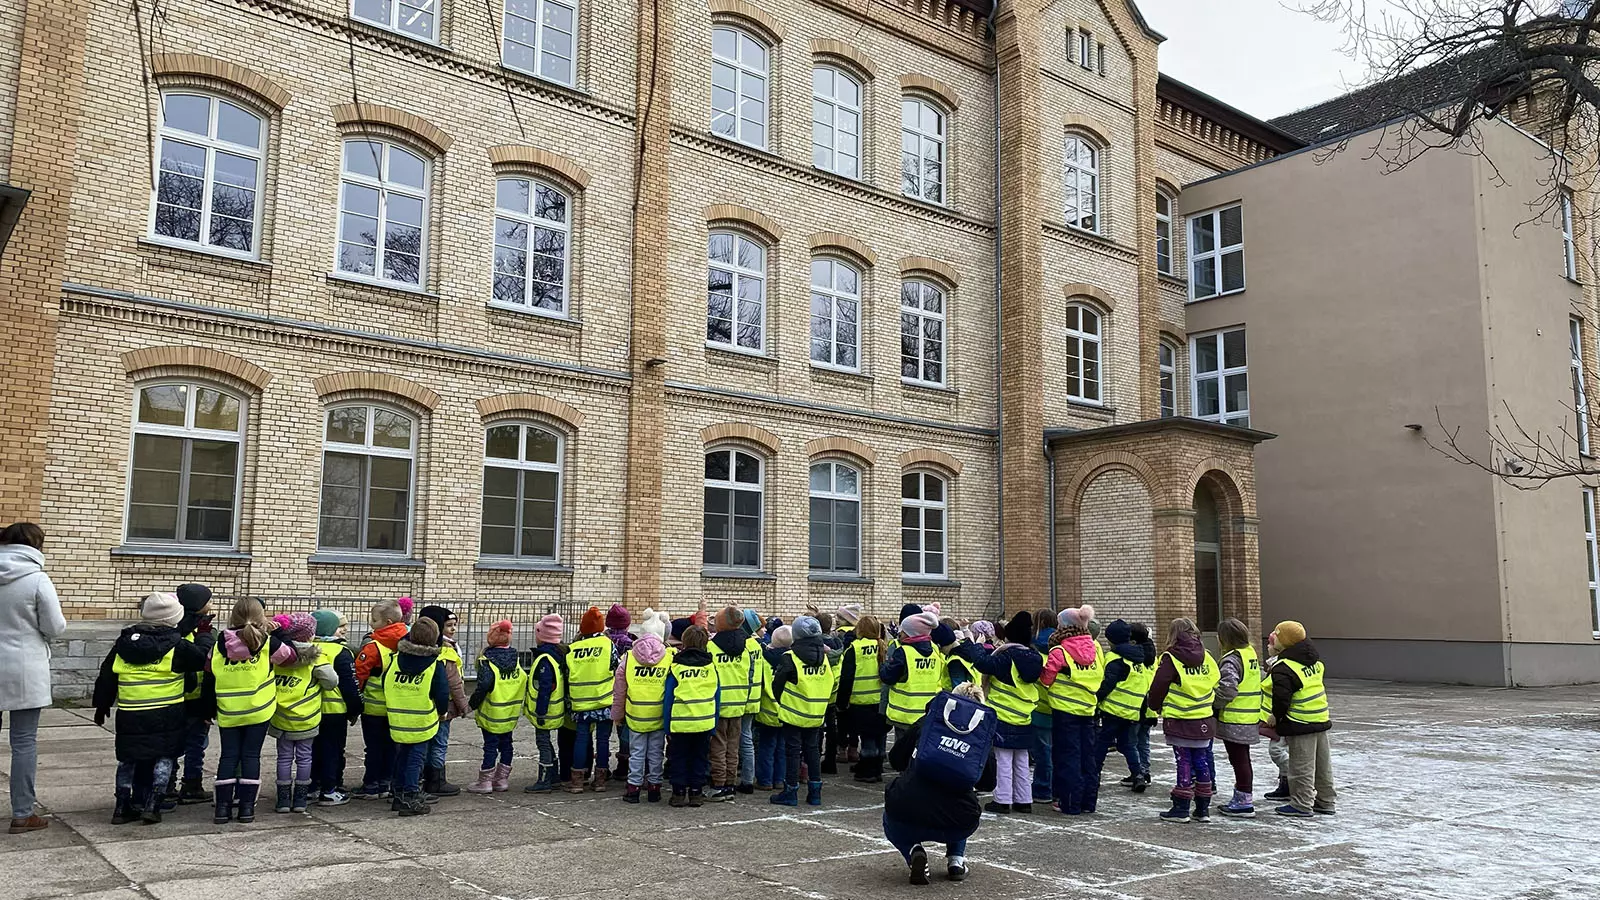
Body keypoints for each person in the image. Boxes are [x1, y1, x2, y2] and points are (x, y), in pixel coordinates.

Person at [93, 592, 207, 825]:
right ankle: (153, 804)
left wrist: (102, 705)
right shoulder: (178, 646)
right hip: (167, 713)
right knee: (164, 756)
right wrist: (203, 635)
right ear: (175, 618)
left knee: (128, 759)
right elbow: (203, 659)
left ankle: (122, 805)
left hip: (130, 711)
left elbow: (106, 675)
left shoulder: (124, 644)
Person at [882, 681, 996, 885]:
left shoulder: (928, 722)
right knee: (965, 803)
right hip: (957, 821)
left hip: (909, 811)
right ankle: (956, 861)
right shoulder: (980, 735)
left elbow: (896, 758)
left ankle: (913, 852)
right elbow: (988, 783)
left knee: (890, 813)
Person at [204, 597, 299, 824]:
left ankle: (222, 809)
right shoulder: (267, 642)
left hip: (228, 711)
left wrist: (207, 709)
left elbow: (208, 671)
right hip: (259, 710)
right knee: (250, 756)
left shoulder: (219, 644)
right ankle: (247, 809)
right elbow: (291, 657)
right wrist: (278, 634)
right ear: (261, 618)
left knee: (228, 757)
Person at [0, 522, 66, 834]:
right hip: (24, 668)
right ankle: (22, 813)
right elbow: (55, 626)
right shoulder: (37, 579)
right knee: (23, 742)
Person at [957, 611, 1042, 814]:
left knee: (1003, 760)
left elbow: (984, 663)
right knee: (1021, 760)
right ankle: (1024, 800)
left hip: (1004, 715)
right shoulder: (1035, 657)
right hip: (1024, 714)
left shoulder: (1007, 657)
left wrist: (974, 644)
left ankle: (1003, 799)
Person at [1146, 618, 1220, 823]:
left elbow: (1158, 685)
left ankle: (1181, 807)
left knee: (1183, 761)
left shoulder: (1171, 658)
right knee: (1202, 760)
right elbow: (1216, 679)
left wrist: (1154, 705)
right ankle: (1203, 808)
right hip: (1204, 717)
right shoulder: (1208, 657)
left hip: (1180, 718)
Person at [1267, 620, 1336, 817]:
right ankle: (1326, 800)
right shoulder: (1313, 661)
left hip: (1300, 721)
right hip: (1320, 717)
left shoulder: (1284, 667)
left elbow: (1281, 699)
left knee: (1301, 766)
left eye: (1277, 635)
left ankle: (1301, 803)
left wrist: (1276, 718)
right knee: (1322, 764)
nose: (1273, 638)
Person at [267, 612, 334, 814]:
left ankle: (283, 799)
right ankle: (300, 799)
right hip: (306, 718)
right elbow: (331, 681)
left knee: (284, 757)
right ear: (310, 635)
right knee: (305, 757)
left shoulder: (277, 654)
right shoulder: (316, 658)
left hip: (280, 716)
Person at [1040, 604, 1102, 815]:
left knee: (1068, 757)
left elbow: (1047, 679)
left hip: (1065, 710)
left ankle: (1069, 803)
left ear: (1064, 626)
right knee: (1088, 757)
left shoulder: (1060, 650)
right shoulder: (1095, 648)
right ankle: (1088, 802)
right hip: (1088, 709)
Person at [384, 616, 448, 816]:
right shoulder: (434, 664)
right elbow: (442, 691)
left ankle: (398, 792)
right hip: (421, 721)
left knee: (402, 755)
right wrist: (442, 711)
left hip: (397, 719)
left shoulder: (396, 660)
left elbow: (385, 682)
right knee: (415, 759)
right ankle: (410, 796)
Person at [769, 616, 834, 807]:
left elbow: (777, 685)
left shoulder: (790, 657)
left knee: (792, 752)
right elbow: (829, 681)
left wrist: (784, 701)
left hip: (794, 712)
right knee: (813, 751)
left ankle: (790, 792)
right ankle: (815, 793)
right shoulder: (823, 657)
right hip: (815, 712)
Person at [353, 598, 408, 801]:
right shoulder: (408, 642)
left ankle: (371, 785)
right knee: (393, 747)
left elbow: (358, 675)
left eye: (374, 620)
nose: (371, 624)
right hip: (398, 707)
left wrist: (355, 700)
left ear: (387, 622)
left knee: (374, 748)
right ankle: (387, 782)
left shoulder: (373, 648)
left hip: (374, 709)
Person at [612, 623, 671, 802]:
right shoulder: (669, 657)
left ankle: (633, 789)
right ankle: (654, 788)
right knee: (656, 753)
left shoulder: (628, 658)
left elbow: (619, 691)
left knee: (636, 753)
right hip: (658, 714)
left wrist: (617, 715)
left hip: (635, 714)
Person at [310, 608, 362, 806]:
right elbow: (349, 685)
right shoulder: (341, 651)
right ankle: (330, 790)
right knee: (333, 751)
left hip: (310, 710)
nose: (344, 630)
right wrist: (355, 709)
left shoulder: (306, 647)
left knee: (312, 751)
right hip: (334, 712)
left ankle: (312, 786)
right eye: (339, 626)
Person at [1213, 617, 1264, 817]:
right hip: (1249, 716)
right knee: (1243, 759)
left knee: (1239, 760)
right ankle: (1242, 796)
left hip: (1235, 718)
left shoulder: (1232, 659)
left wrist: (1214, 703)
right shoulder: (1249, 654)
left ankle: (1244, 800)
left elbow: (1228, 688)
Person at [417, 606, 469, 798]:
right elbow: (454, 683)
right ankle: (436, 780)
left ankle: (421, 779)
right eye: (448, 625)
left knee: (425, 743)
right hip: (443, 707)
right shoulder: (446, 652)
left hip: (422, 704)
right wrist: (463, 706)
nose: (453, 629)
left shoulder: (415, 648)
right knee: (439, 743)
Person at [565, 606, 618, 793]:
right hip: (604, 701)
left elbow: (568, 673)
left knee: (581, 739)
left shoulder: (573, 648)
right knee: (603, 740)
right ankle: (601, 781)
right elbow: (616, 667)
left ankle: (577, 781)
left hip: (580, 703)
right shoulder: (607, 644)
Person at [466, 620, 523, 794]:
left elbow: (484, 685)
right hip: (510, 712)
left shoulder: (487, 660)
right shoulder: (516, 658)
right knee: (507, 745)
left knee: (490, 745)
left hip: (492, 712)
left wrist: (471, 705)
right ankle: (502, 780)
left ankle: (485, 782)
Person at [1093, 619, 1151, 791]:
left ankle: (1094, 774)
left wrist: (1097, 698)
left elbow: (1108, 683)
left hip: (1112, 710)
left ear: (1111, 640)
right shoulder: (1138, 658)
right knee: (1128, 744)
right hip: (1132, 711)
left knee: (1101, 744)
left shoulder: (1114, 658)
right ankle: (1138, 775)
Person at [664, 624, 718, 807]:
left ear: (684, 642)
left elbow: (669, 697)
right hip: (704, 721)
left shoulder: (676, 666)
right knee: (700, 757)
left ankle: (678, 793)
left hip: (680, 721)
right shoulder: (711, 667)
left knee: (678, 757)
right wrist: (714, 723)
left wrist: (667, 725)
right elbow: (716, 696)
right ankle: (696, 792)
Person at [172, 583, 216, 805]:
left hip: (180, 697)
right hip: (191, 696)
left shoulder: (173, 624)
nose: (211, 604)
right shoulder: (193, 629)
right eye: (208, 601)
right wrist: (206, 635)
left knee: (185, 744)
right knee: (194, 744)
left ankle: (184, 784)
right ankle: (187, 785)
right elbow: (204, 657)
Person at [706, 606, 752, 801]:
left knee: (717, 747)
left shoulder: (711, 647)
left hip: (719, 704)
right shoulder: (747, 646)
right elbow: (749, 675)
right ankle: (730, 785)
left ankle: (718, 785)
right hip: (739, 703)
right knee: (733, 747)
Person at [881, 611, 949, 744]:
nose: (900, 633)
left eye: (903, 631)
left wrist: (883, 665)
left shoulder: (904, 652)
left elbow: (888, 677)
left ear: (911, 633)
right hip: (927, 712)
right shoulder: (935, 649)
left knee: (902, 752)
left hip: (904, 714)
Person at [838, 614, 887, 783]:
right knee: (880, 736)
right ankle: (878, 767)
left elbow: (846, 678)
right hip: (882, 701)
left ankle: (867, 771)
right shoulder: (884, 646)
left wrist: (842, 702)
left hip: (861, 701)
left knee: (867, 739)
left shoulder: (855, 648)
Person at [523, 613, 568, 793]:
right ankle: (554, 776)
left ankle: (544, 779)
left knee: (543, 742)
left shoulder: (545, 659)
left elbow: (545, 688)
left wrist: (540, 711)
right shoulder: (559, 654)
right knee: (547, 742)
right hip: (556, 709)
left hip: (546, 711)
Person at [753, 625, 790, 790]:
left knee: (766, 747)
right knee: (782, 748)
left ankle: (765, 780)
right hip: (786, 711)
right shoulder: (792, 659)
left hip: (767, 711)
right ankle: (779, 779)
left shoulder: (764, 658)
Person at [1029, 607, 1056, 806]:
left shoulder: (1034, 646)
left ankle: (1042, 788)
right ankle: (1056, 788)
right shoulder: (1063, 644)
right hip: (1062, 706)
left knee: (1043, 753)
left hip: (1039, 707)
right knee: (1058, 751)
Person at [1261, 629, 1292, 803]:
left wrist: (1275, 714)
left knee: (1277, 750)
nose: (1267, 645)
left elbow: (1281, 694)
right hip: (1276, 716)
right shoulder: (1273, 664)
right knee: (1281, 748)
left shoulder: (1280, 666)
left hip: (1281, 716)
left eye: (1271, 643)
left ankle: (1291, 778)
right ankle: (1285, 785)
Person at [604, 603, 634, 782]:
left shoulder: (603, 641)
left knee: (603, 733)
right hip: (624, 694)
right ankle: (624, 766)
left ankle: (602, 767)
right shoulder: (630, 643)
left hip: (603, 693)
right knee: (624, 731)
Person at [737, 607, 764, 793]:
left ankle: (747, 779)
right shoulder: (757, 645)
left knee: (743, 739)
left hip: (742, 697)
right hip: (754, 696)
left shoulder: (743, 645)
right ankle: (747, 776)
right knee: (746, 738)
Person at [1130, 622, 1159, 792]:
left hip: (1137, 706)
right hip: (1150, 707)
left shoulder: (1137, 657)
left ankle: (1138, 772)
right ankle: (1145, 771)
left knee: (1132, 741)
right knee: (1144, 741)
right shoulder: (1153, 655)